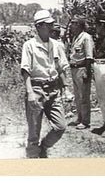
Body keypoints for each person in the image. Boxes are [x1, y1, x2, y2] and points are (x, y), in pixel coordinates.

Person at [21, 9, 69, 158]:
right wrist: (30, 93)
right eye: (48, 25)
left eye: (52, 24)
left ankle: (44, 147)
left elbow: (60, 68)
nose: (52, 27)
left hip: (54, 89)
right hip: (36, 89)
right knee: (34, 130)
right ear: (39, 26)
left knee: (60, 127)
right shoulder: (29, 45)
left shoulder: (57, 45)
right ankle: (33, 158)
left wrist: (66, 89)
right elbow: (25, 71)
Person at [68, 16, 94, 130]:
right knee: (77, 96)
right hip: (74, 68)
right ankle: (79, 117)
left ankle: (85, 121)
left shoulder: (86, 38)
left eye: (74, 23)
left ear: (79, 25)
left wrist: (87, 72)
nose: (71, 25)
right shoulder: (75, 37)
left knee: (84, 97)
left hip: (82, 68)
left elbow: (89, 57)